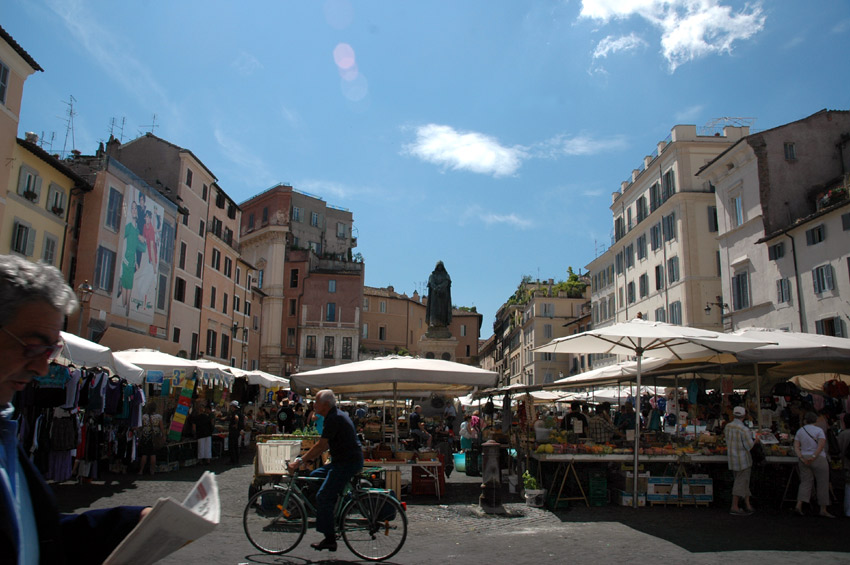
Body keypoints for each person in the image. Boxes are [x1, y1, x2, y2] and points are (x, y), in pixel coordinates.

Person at [0, 254, 150, 563]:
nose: (43, 369)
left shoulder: (6, 431)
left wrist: (131, 522)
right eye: (33, 345)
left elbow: (35, 534)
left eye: (51, 349)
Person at [288, 389, 363, 553]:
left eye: (316, 402)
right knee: (314, 476)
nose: (313, 405)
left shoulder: (334, 418)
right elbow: (326, 445)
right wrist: (310, 460)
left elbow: (322, 445)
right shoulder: (333, 416)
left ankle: (329, 539)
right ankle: (332, 508)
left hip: (347, 463)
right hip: (342, 461)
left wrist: (300, 461)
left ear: (325, 405)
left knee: (323, 496)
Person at [794, 411, 834, 517]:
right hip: (818, 458)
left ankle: (799, 504)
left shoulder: (800, 431)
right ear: (816, 420)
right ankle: (823, 509)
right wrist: (813, 456)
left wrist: (802, 457)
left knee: (805, 482)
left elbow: (796, 446)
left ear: (805, 420)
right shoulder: (819, 431)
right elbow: (821, 446)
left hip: (804, 458)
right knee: (822, 483)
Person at [724, 406, 757, 515]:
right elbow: (749, 446)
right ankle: (734, 506)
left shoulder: (728, 426)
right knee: (740, 483)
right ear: (744, 416)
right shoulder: (744, 429)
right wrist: (756, 440)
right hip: (743, 460)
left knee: (743, 482)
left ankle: (748, 505)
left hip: (732, 459)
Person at [138, 402, 165, 475]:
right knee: (153, 454)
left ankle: (141, 470)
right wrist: (163, 436)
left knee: (144, 454)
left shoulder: (144, 417)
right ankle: (152, 470)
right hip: (154, 437)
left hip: (146, 436)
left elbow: (141, 427)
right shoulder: (158, 417)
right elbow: (162, 428)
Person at [425, 261, 452, 332]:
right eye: (438, 266)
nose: (440, 267)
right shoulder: (432, 275)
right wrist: (435, 288)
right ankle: (433, 322)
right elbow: (431, 283)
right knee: (434, 309)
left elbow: (446, 282)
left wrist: (440, 287)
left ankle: (442, 323)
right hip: (434, 295)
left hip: (443, 295)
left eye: (441, 266)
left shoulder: (446, 275)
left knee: (442, 309)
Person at [837, 413, 850, 518]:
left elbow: (838, 449)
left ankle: (847, 510)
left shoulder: (843, 434)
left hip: (846, 463)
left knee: (848, 486)